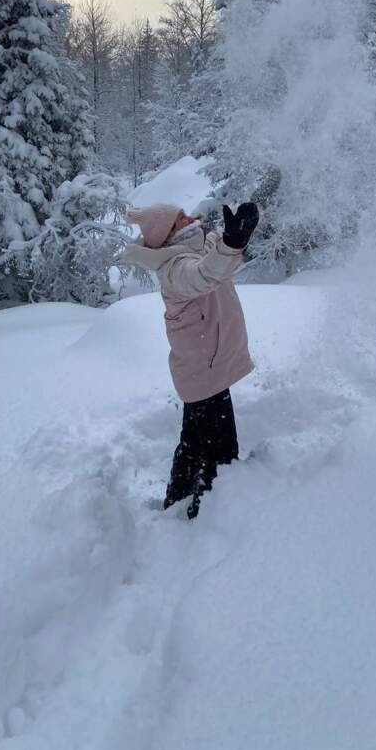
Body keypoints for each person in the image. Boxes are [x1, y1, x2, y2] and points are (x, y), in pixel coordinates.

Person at [122, 201, 260, 518]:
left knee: (194, 443)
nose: (192, 218)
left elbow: (215, 257)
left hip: (201, 370)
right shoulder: (175, 269)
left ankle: (177, 501)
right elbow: (204, 276)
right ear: (169, 233)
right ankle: (212, 518)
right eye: (181, 218)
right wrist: (232, 243)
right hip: (204, 371)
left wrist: (231, 237)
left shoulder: (192, 250)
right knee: (221, 454)